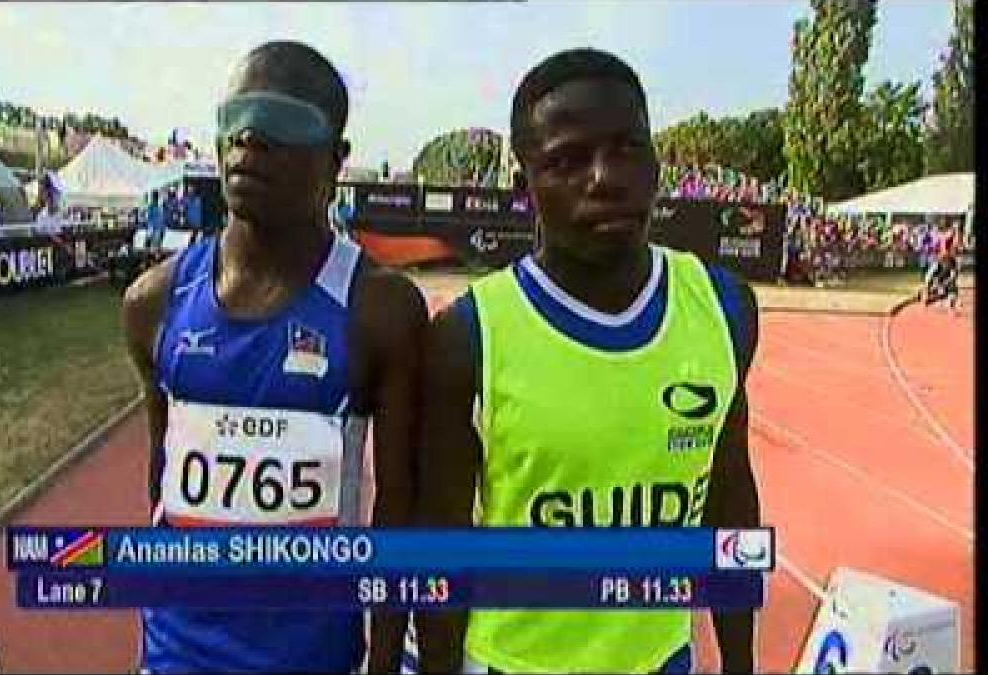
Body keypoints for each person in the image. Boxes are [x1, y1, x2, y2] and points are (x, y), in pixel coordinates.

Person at [414, 48, 760, 674]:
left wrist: (740, 662)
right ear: (525, 187)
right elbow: (440, 549)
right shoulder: (470, 335)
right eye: (568, 161)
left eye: (627, 147)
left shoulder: (725, 308)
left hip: (663, 662)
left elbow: (729, 495)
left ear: (656, 163)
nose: (603, 177)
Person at [121, 40, 425, 673]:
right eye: (236, 119)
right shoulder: (153, 302)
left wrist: (386, 660)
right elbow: (163, 484)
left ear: (336, 159)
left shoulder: (380, 310)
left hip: (316, 658)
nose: (250, 139)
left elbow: (398, 514)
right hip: (177, 656)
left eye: (282, 123)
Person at [144, 189, 167, 253]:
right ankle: (151, 251)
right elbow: (149, 217)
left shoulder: (157, 206)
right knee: (154, 241)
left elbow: (148, 217)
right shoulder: (155, 206)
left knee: (154, 241)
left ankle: (152, 251)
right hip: (157, 227)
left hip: (157, 227)